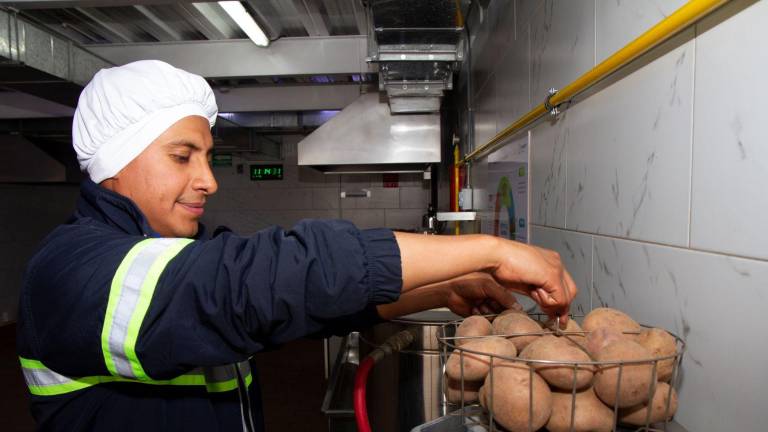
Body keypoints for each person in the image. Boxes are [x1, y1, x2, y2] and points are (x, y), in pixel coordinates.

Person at [16, 60, 577, 432]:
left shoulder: (172, 251)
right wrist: (487, 250)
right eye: (182, 156)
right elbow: (258, 284)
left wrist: (446, 285)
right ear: (116, 161)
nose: (209, 180)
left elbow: (302, 306)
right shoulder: (72, 272)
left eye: (208, 158)